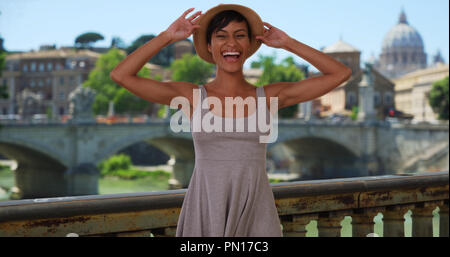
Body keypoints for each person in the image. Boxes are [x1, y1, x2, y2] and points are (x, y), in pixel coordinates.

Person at [110, 4, 351, 237]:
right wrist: (166, 37)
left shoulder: (268, 97)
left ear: (249, 44)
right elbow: (121, 75)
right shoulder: (192, 96)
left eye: (240, 35)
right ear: (209, 45)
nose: (231, 43)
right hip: (205, 209)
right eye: (221, 36)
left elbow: (340, 73)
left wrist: (288, 43)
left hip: (256, 211)